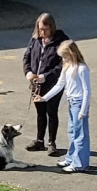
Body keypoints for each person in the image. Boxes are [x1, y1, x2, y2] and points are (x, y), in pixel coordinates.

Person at [34, 40, 91, 173]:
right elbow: (59, 85)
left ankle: (79, 163)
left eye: (65, 56)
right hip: (71, 103)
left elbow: (87, 91)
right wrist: (44, 98)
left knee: (80, 134)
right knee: (71, 131)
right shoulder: (67, 67)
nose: (63, 59)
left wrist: (83, 110)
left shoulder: (81, 68)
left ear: (72, 54)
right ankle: (71, 158)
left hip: (79, 103)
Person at [23, 12, 68, 156]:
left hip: (53, 84)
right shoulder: (35, 39)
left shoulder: (62, 41)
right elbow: (27, 57)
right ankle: (39, 140)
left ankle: (51, 142)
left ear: (52, 27)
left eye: (45, 29)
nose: (42, 32)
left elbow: (63, 64)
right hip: (36, 84)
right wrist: (28, 72)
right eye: (40, 29)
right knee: (40, 112)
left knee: (51, 112)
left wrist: (46, 76)